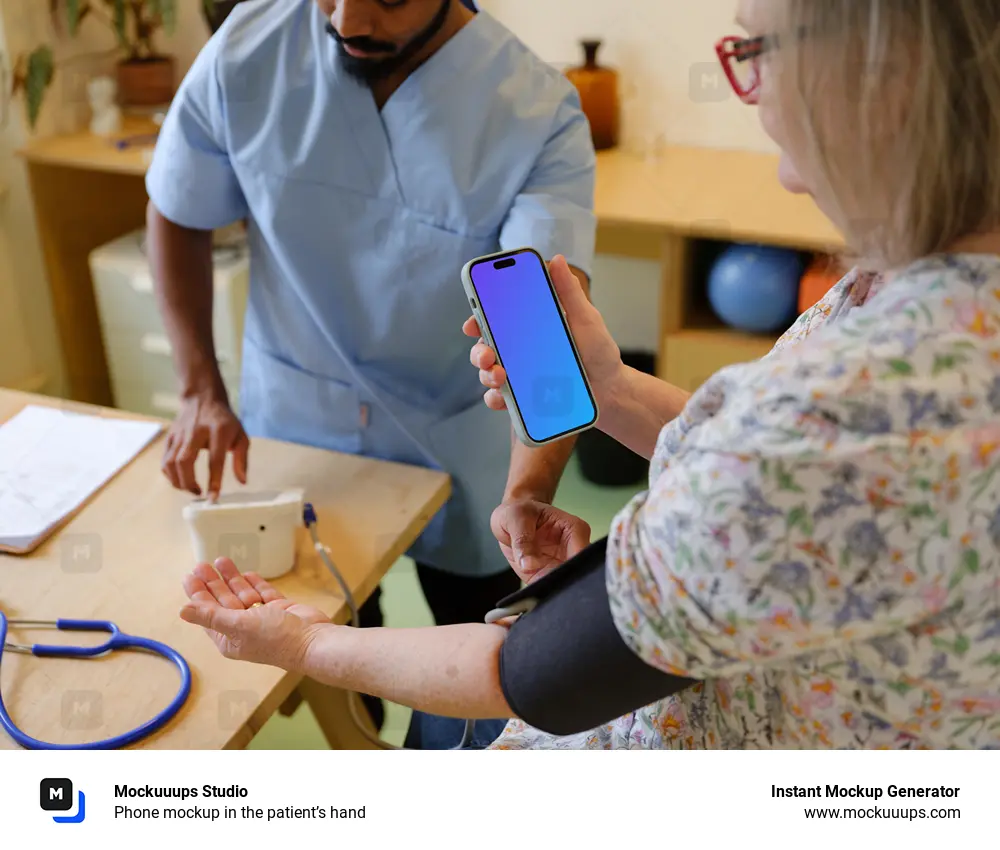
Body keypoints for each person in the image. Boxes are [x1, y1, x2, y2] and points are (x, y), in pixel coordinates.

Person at [179, 0, 1000, 749]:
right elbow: (805, 500)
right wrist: (613, 393)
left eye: (755, 49)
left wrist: (303, 641)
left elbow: (527, 672)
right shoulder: (903, 290)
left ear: (877, 78)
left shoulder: (831, 416)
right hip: (301, 407)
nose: (749, 91)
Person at [145, 0, 597, 736]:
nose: (349, 20)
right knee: (338, 645)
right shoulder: (248, 49)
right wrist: (199, 388)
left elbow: (540, 338)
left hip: (459, 440)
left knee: (480, 654)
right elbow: (177, 207)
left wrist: (530, 489)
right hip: (297, 421)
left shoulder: (531, 111)